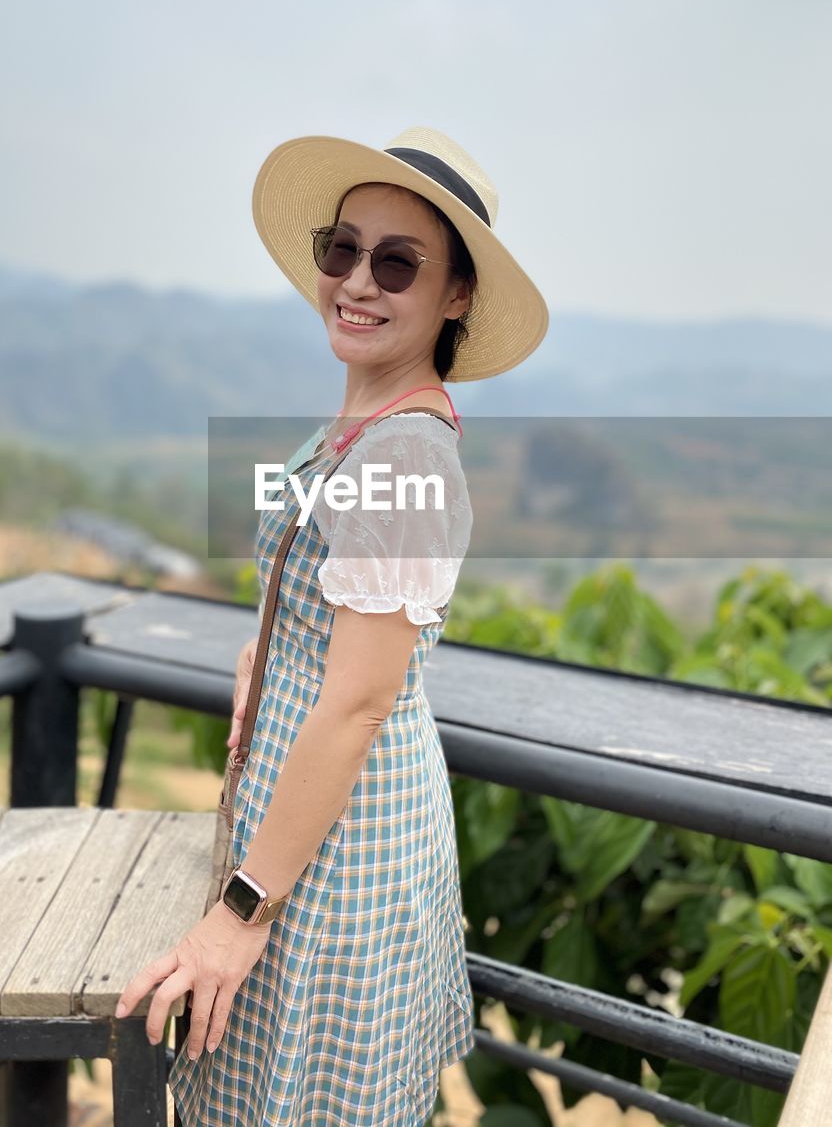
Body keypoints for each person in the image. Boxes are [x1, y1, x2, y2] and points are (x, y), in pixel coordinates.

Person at [115, 126, 549, 1124]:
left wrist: (239, 911)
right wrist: (262, 656)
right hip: (305, 833)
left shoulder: (404, 454)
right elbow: (317, 609)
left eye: (397, 262)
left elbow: (357, 701)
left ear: (455, 296)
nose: (358, 279)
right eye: (342, 247)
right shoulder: (361, 425)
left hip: (333, 858)